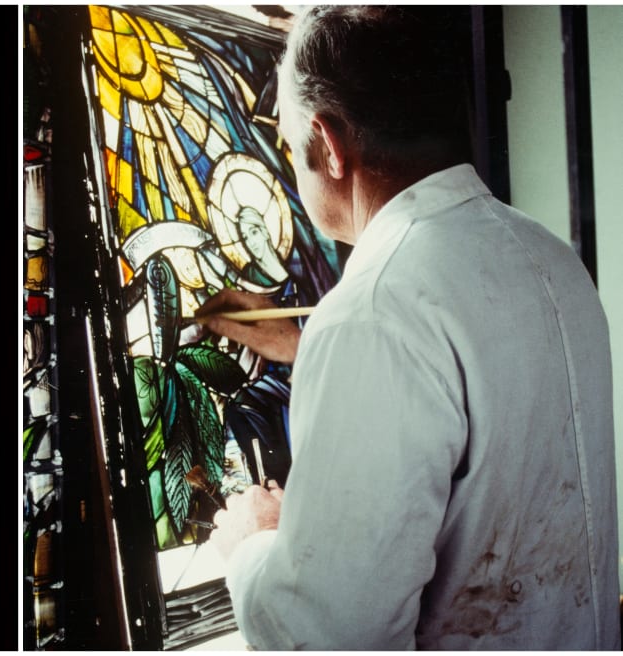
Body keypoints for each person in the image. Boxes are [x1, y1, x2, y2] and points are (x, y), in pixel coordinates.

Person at [200, 6, 619, 649]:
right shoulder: (549, 258)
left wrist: (255, 546)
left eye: (289, 146)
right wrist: (304, 347)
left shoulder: (373, 312)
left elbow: (330, 637)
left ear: (330, 145)